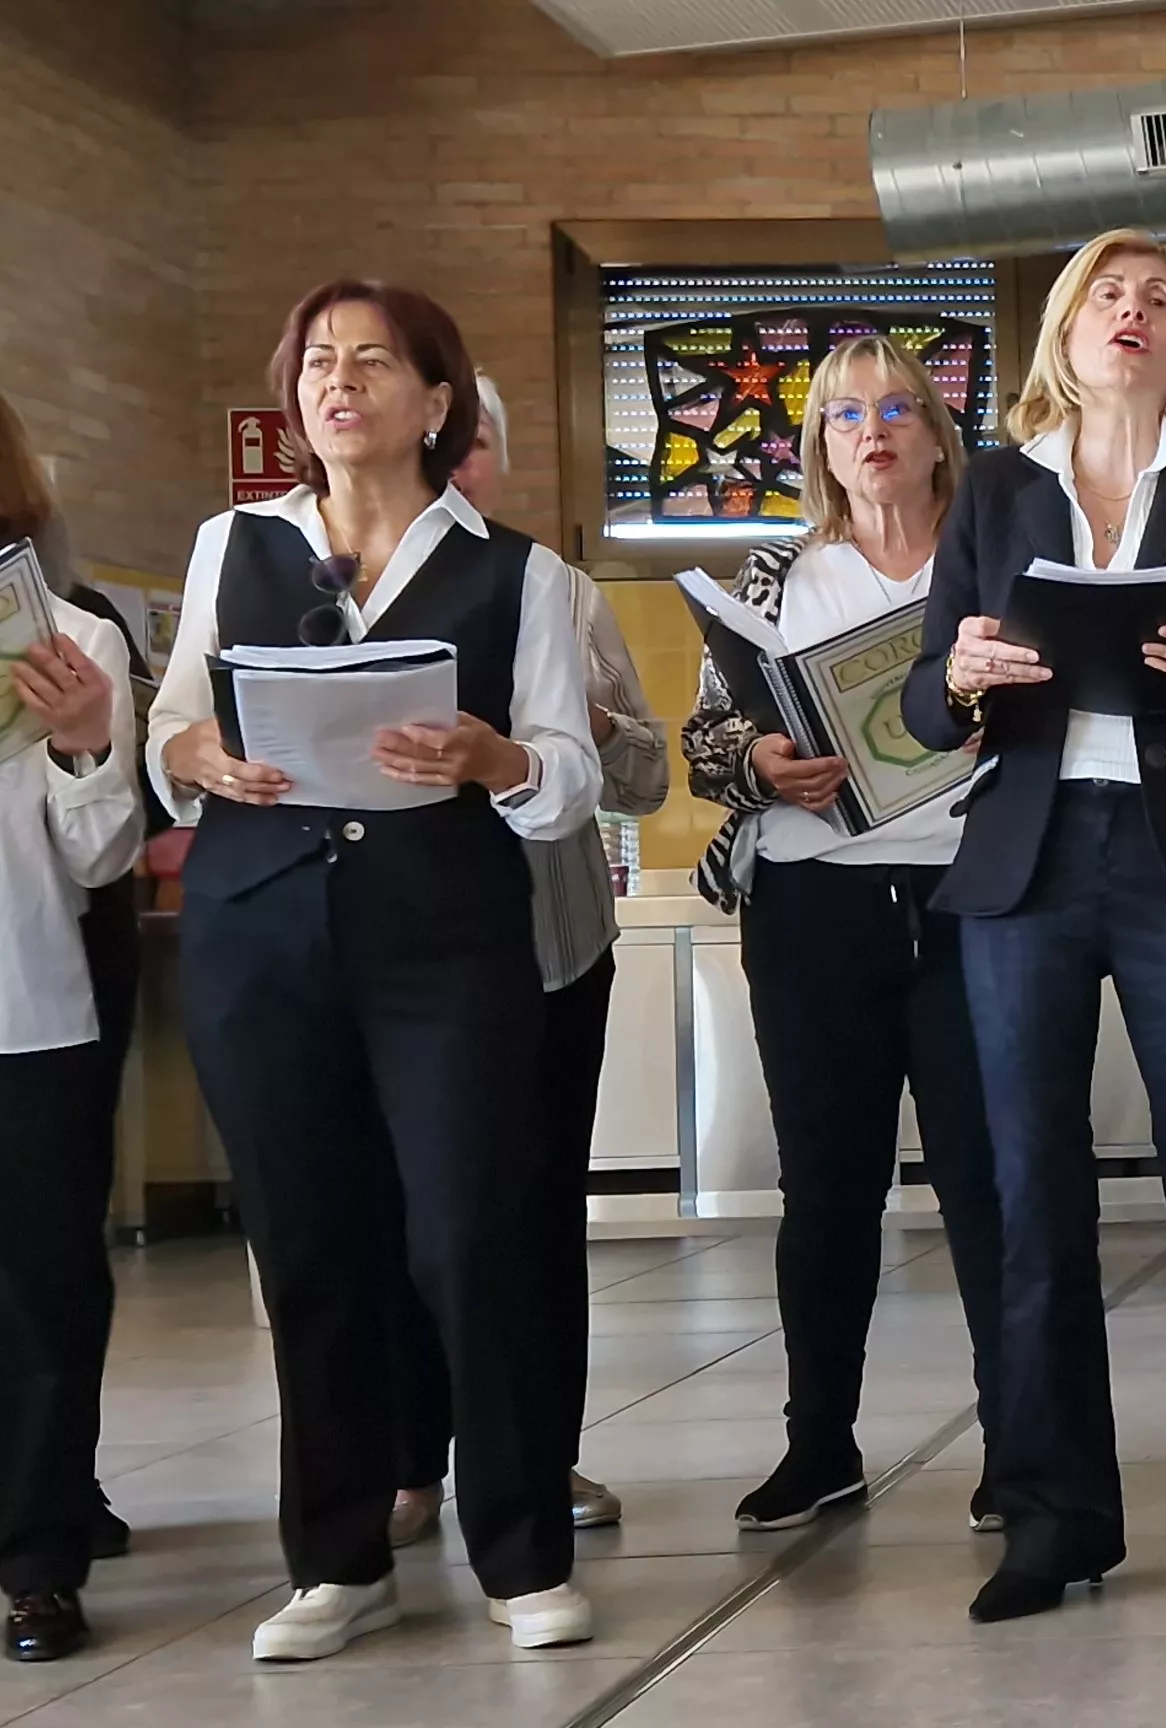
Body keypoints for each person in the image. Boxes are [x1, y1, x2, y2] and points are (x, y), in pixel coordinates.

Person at [149, 280, 603, 1658]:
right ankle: (338, 1561)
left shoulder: (523, 574)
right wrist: (201, 759)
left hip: (445, 942)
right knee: (307, 1243)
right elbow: (171, 729)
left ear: (435, 401)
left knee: (472, 1234)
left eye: (370, 363)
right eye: (316, 365)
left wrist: (499, 759)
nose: (335, 384)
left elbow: (571, 776)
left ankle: (522, 1553)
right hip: (258, 931)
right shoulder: (233, 544)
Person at [903, 229, 1166, 1624]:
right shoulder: (999, 489)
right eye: (1105, 298)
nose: (1130, 315)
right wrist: (956, 673)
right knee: (1031, 1201)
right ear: (1062, 334)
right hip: (1025, 858)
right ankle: (1051, 1519)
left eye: (1158, 302)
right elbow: (916, 704)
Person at [684, 335, 1009, 1536]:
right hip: (814, 907)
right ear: (819, 446)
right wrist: (761, 760)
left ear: (936, 434)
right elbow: (703, 749)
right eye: (840, 416)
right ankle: (818, 1443)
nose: (869, 431)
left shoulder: (991, 566)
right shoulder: (777, 574)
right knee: (826, 1187)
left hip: (968, 899)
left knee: (987, 1182)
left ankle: (1016, 1445)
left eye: (894, 409)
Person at [382, 371, 654, 1549]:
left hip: (550, 951)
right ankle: (403, 1462)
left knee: (535, 1215)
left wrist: (578, 725)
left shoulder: (562, 591)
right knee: (404, 1214)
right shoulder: (342, 590)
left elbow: (643, 779)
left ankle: (543, 1457)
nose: (459, 460)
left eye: (476, 444)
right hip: (404, 954)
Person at [0, 388, 147, 1664]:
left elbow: (102, 856)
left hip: (26, 1006)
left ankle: (39, 1557)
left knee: (43, 1291)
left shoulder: (72, 637)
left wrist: (87, 744)